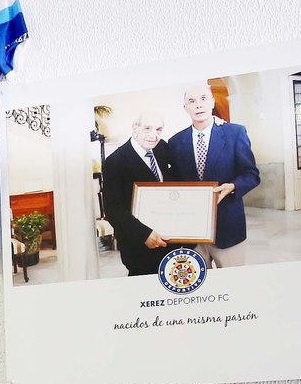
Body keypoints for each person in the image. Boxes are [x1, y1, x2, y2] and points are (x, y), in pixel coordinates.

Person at [167, 84, 260, 268]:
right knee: (198, 287)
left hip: (228, 228)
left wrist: (232, 187)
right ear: (185, 108)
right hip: (192, 231)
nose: (198, 105)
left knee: (233, 285)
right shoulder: (175, 142)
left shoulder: (234, 133)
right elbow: (173, 182)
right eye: (192, 101)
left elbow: (251, 174)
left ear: (212, 102)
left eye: (203, 99)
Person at [101, 110, 178, 277]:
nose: (153, 135)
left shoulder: (162, 148)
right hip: (139, 248)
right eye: (147, 128)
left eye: (158, 130)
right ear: (134, 128)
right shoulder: (115, 162)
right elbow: (114, 210)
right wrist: (144, 234)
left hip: (168, 241)